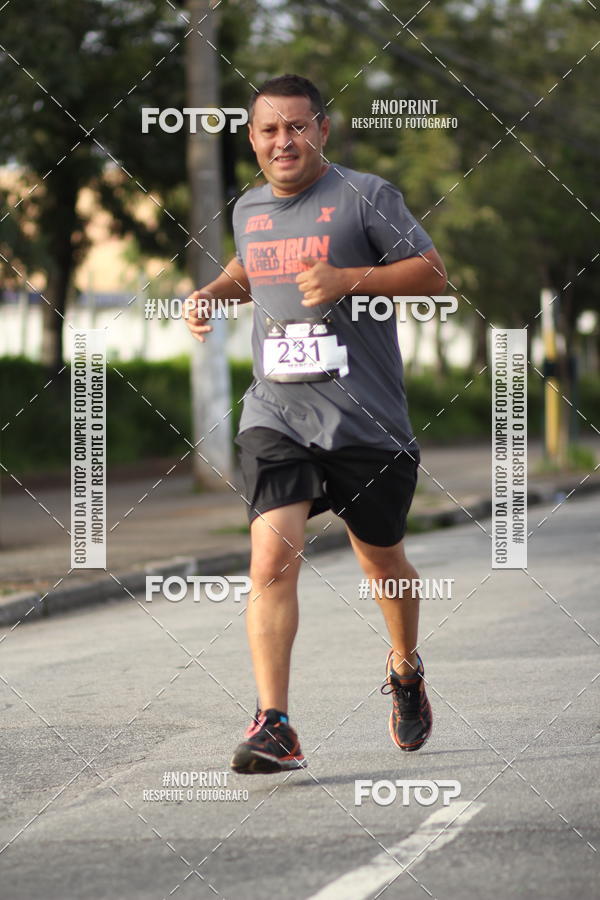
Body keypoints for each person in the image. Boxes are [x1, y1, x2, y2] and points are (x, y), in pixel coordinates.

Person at [185, 74, 447, 774]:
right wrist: (213, 291)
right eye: (270, 131)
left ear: (321, 130)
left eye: (297, 127)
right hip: (277, 413)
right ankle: (276, 723)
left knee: (381, 562)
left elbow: (432, 274)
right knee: (272, 558)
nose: (284, 142)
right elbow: (252, 267)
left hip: (367, 422)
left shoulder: (366, 196)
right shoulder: (247, 208)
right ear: (252, 139)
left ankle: (404, 667)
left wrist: (346, 280)